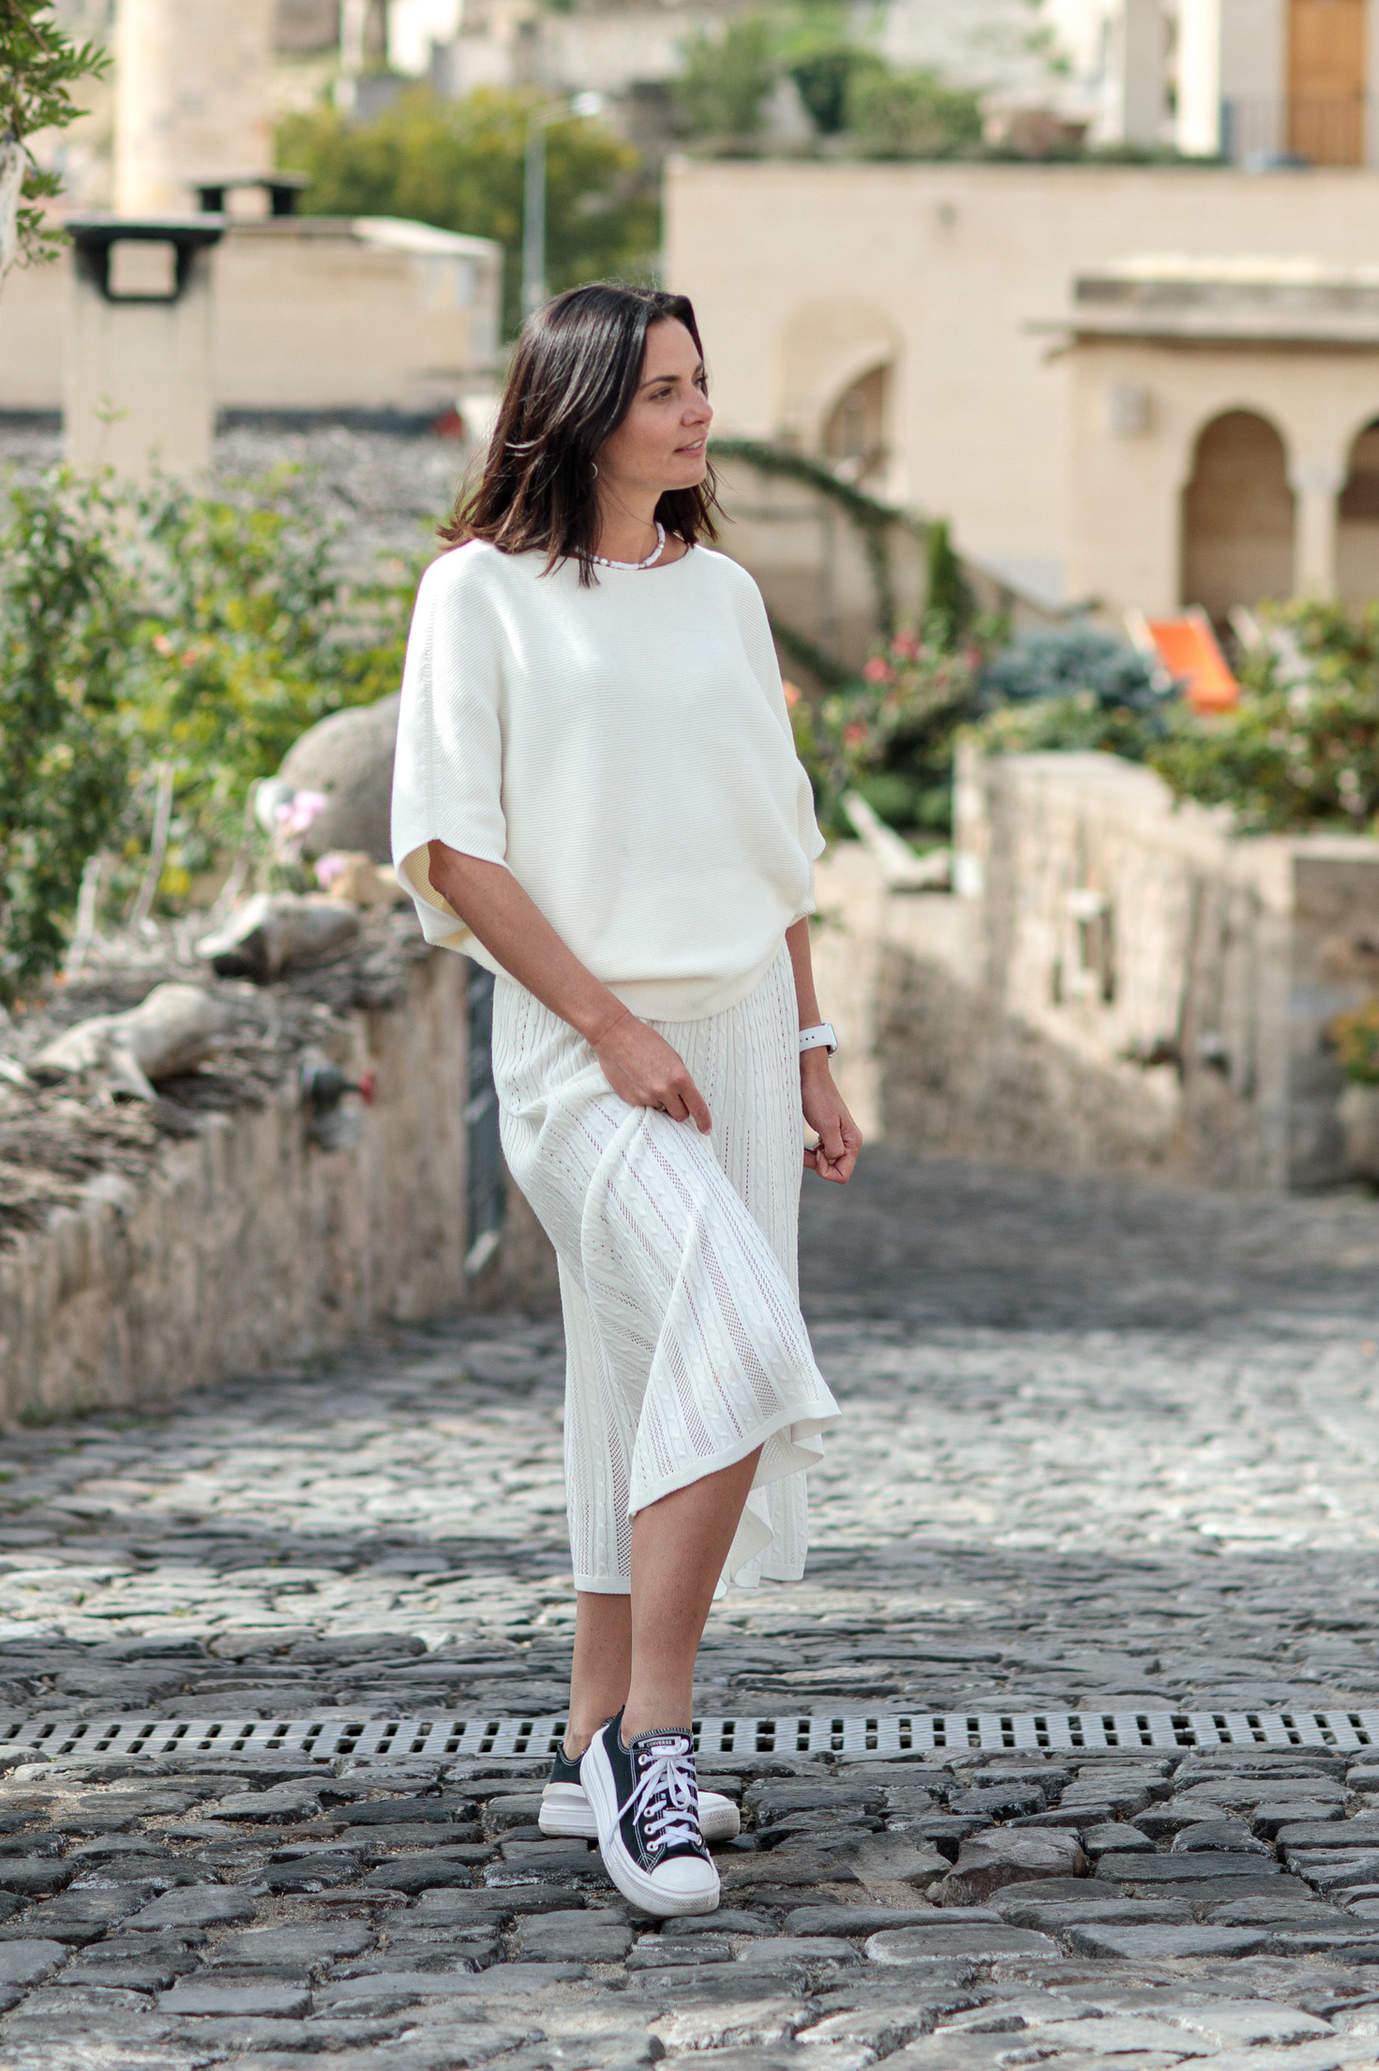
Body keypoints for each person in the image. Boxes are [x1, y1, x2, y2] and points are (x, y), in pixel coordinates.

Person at [392, 282, 862, 1919]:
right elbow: (457, 847)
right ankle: (648, 1749)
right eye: (664, 389)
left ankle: (589, 1718)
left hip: (734, 1030)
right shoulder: (480, 595)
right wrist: (604, 1028)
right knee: (732, 1335)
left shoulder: (725, 595)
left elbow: (772, 837)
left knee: (641, 1370)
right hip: (582, 1050)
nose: (695, 415)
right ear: (581, 407)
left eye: (702, 385)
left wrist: (807, 1049)